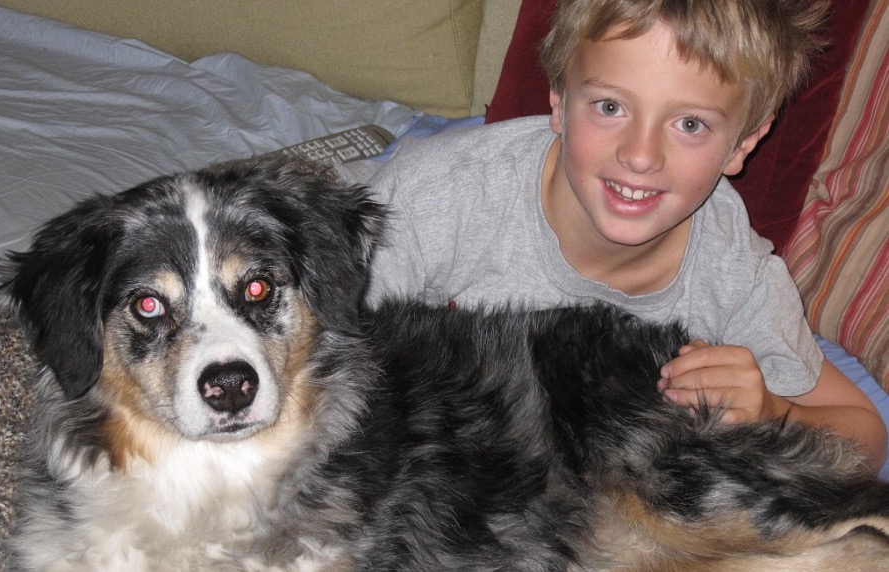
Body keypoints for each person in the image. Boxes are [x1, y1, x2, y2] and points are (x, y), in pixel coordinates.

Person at [359, 0, 888, 469]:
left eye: (690, 124)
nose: (640, 156)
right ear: (559, 100)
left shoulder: (734, 274)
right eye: (610, 107)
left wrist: (773, 412)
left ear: (744, 142)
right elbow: (329, 366)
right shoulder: (432, 201)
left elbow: (865, 437)